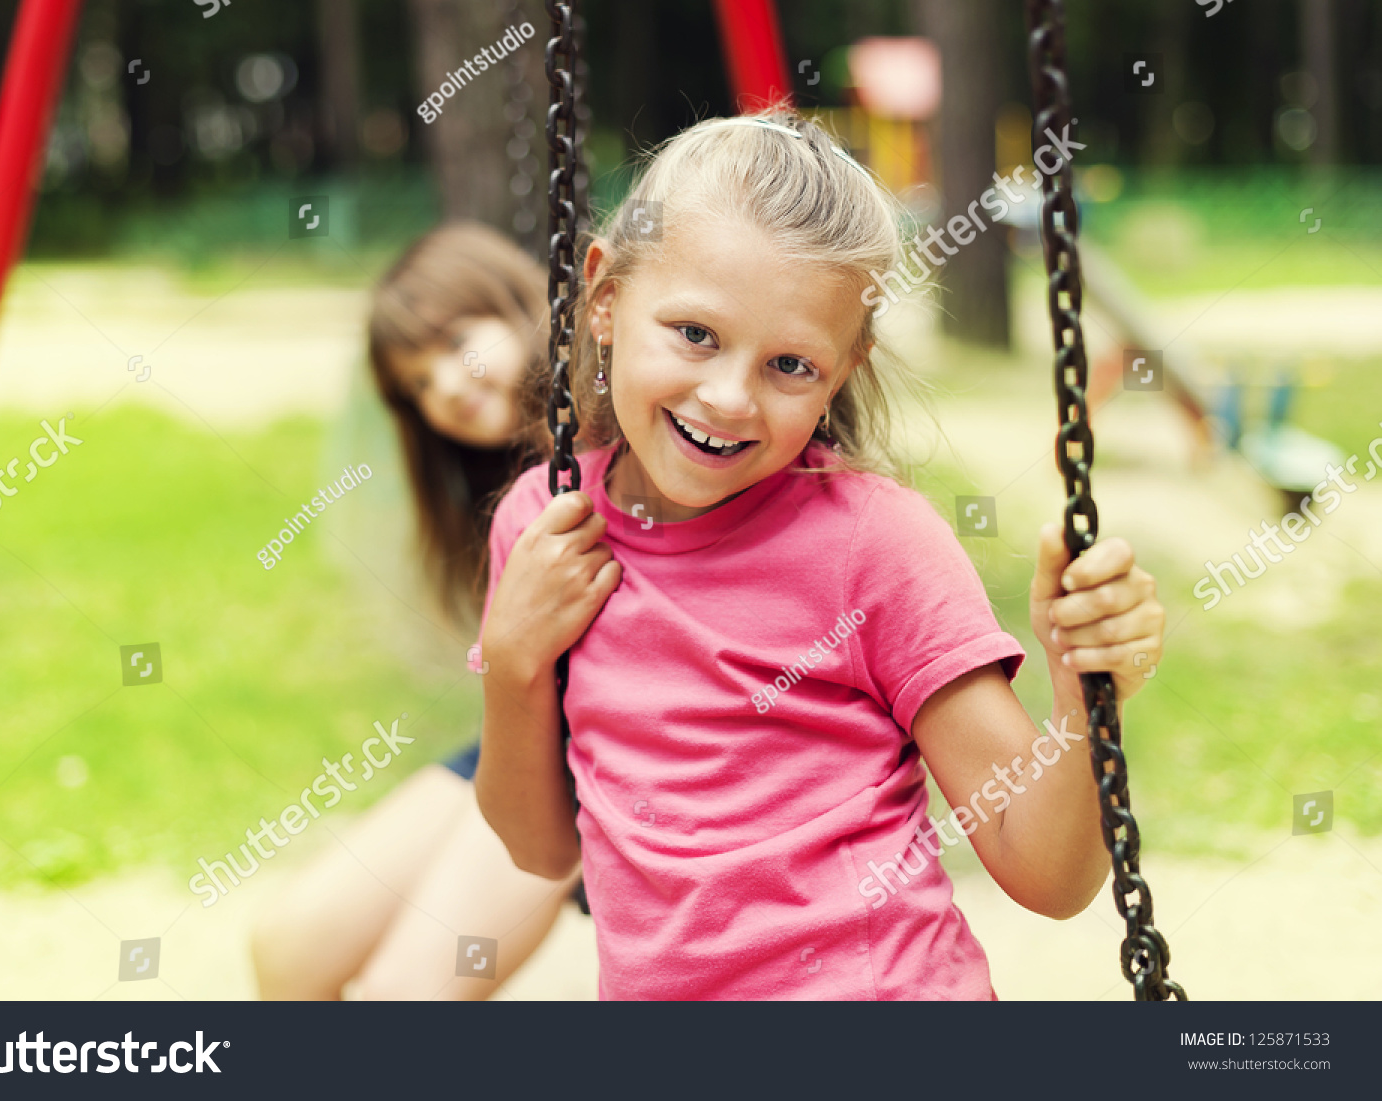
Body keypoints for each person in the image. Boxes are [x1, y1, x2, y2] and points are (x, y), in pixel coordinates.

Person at [472, 110, 1167, 1000]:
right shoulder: (549, 527)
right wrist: (514, 658)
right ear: (604, 299)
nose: (727, 397)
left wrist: (1085, 694)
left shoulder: (872, 545)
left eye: (790, 365)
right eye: (695, 333)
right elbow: (540, 848)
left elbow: (1047, 872)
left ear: (844, 368)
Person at [251, 223, 580, 1000]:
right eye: (420, 386)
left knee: (409, 991)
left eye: (459, 344)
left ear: (518, 306)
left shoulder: (626, 431)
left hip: (606, 755)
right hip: (525, 737)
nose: (449, 389)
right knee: (287, 949)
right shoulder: (497, 480)